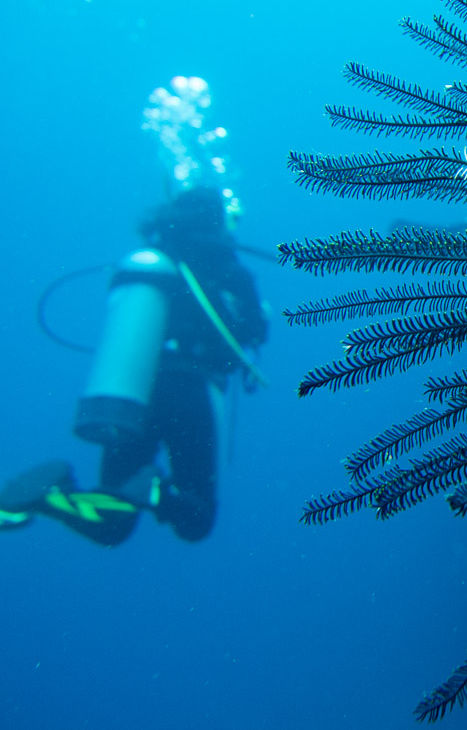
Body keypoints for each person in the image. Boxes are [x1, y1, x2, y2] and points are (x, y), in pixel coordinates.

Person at [0, 186, 267, 545]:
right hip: (191, 389)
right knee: (196, 521)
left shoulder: (153, 260)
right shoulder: (228, 267)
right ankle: (157, 493)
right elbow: (251, 334)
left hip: (133, 390)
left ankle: (51, 494)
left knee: (112, 525)